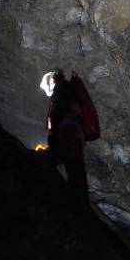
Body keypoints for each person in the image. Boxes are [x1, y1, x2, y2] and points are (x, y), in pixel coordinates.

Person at [40, 69, 88, 203]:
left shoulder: (61, 89)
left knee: (72, 165)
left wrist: (53, 134)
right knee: (76, 166)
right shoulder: (68, 89)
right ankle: (80, 199)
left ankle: (77, 200)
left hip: (68, 131)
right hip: (74, 131)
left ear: (53, 79)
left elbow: (57, 111)